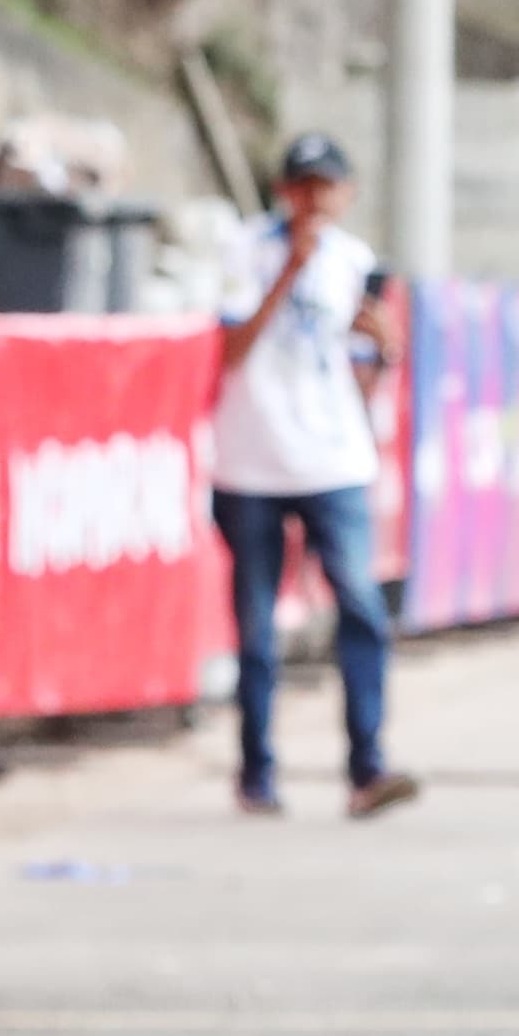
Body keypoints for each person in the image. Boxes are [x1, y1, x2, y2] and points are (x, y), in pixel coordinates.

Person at [209, 131, 414, 821]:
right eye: (303, 186)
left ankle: (367, 767)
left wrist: (382, 352)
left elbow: (353, 378)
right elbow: (231, 351)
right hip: (252, 461)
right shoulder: (244, 251)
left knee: (360, 604)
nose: (315, 200)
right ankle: (257, 772)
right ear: (282, 192)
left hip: (334, 460)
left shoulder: (353, 261)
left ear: (346, 193)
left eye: (328, 186)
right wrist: (287, 275)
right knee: (257, 625)